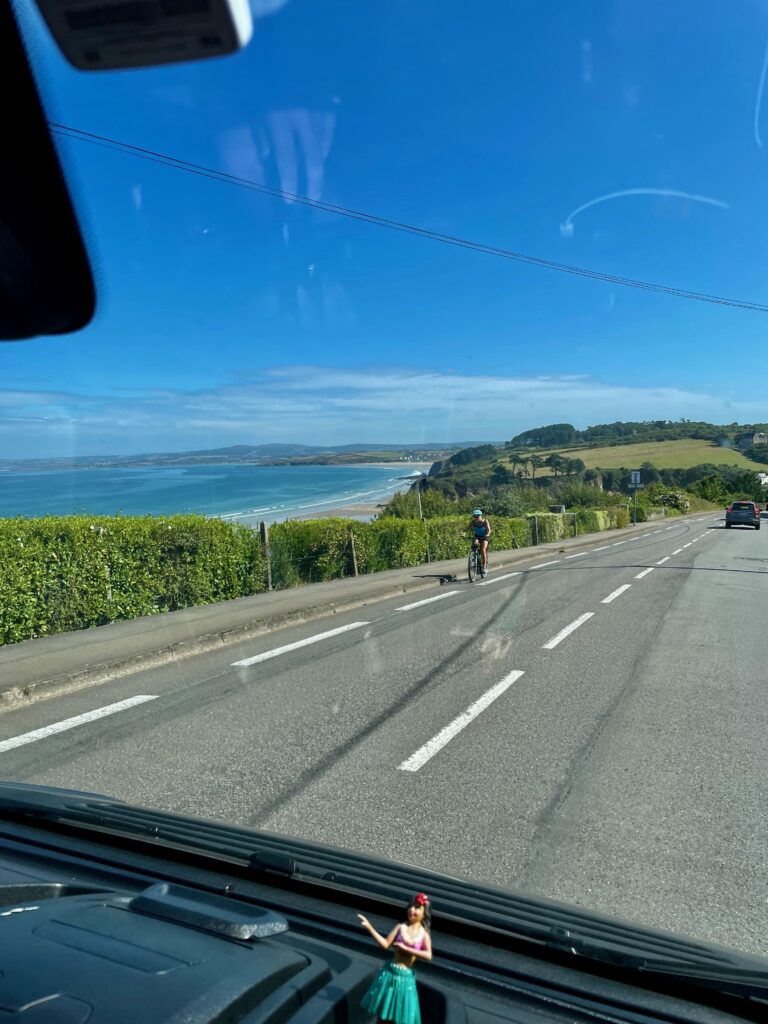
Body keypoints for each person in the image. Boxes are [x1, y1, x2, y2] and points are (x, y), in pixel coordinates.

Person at [358, 892, 433, 1024]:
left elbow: (428, 955)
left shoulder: (423, 935)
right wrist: (370, 928)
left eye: (417, 908)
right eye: (411, 906)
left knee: (399, 1016)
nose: (412, 910)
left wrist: (407, 949)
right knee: (382, 1015)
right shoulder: (401, 927)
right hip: (390, 975)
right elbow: (385, 944)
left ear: (424, 913)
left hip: (405, 980)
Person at [466, 508, 491, 575]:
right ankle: (474, 559)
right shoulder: (473, 522)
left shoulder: (485, 521)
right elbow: (466, 529)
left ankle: (484, 566)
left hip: (485, 536)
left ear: (480, 515)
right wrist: (464, 533)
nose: (476, 517)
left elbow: (489, 530)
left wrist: (487, 535)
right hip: (477, 536)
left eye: (477, 516)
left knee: (483, 549)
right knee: (474, 546)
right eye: (474, 516)